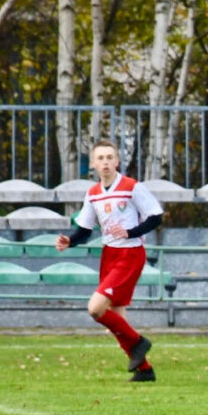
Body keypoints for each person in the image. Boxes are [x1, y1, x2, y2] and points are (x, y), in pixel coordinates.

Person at [55, 140, 164, 382]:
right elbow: (84, 230)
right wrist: (69, 242)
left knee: (95, 308)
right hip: (109, 255)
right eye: (100, 158)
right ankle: (144, 370)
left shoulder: (131, 187)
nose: (105, 162)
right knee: (117, 316)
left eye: (109, 157)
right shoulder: (93, 193)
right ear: (93, 164)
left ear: (117, 161)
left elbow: (156, 217)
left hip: (130, 254)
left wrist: (131, 232)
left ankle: (139, 343)